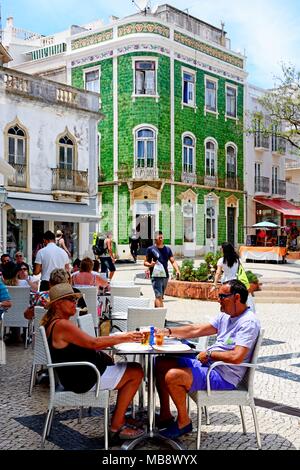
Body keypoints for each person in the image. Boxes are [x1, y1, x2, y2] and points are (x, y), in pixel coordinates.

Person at [154, 279, 260, 439]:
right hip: (209, 366)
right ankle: (165, 415)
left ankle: (184, 423)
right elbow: (195, 329)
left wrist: (210, 354)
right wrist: (167, 331)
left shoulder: (248, 322)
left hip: (223, 377)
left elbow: (237, 357)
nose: (218, 300)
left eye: (223, 296)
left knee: (173, 376)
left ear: (237, 297)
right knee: (162, 362)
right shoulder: (226, 316)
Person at [41, 282, 145, 440]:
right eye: (71, 300)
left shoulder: (55, 324)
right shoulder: (62, 325)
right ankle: (117, 425)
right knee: (135, 372)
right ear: (59, 304)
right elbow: (93, 343)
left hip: (81, 374)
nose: (75, 303)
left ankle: (121, 416)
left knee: (132, 367)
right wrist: (126, 336)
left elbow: (88, 345)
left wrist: (105, 353)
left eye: (75, 300)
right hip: (84, 379)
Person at [211, 242, 256, 313]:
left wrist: (214, 284)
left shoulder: (221, 260)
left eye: (221, 248)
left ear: (224, 250)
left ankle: (225, 314)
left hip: (226, 283)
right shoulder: (237, 260)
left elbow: (218, 273)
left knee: (225, 300)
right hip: (235, 282)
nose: (220, 250)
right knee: (234, 300)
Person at [144, 230, 180, 308]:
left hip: (165, 276)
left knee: (160, 297)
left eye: (161, 237)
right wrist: (150, 264)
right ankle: (161, 317)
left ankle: (156, 315)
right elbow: (145, 262)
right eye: (158, 237)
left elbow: (172, 261)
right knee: (158, 296)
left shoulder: (167, 249)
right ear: (155, 238)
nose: (160, 238)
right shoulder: (150, 249)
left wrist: (177, 270)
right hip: (155, 276)